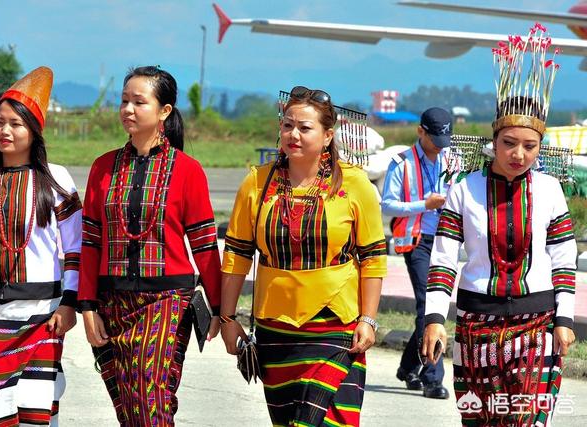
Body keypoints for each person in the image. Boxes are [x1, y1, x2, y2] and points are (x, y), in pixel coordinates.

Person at [423, 26, 577, 426]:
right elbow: (442, 260)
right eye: (510, 142)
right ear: (494, 139)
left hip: (537, 323)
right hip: (476, 325)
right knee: (482, 420)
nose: (519, 153)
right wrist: (435, 318)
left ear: (540, 147)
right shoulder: (464, 190)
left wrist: (564, 319)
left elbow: (563, 260)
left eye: (530, 146)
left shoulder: (549, 190)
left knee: (527, 420)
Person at [220, 86, 387, 426]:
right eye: (286, 125)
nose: (292, 134)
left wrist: (368, 320)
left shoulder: (355, 184)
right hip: (275, 326)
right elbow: (237, 253)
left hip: (335, 324)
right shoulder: (256, 183)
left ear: (328, 136)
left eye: (304, 128)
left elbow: (373, 257)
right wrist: (227, 318)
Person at [78, 66, 222, 426]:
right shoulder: (102, 168)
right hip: (112, 302)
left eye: (138, 102)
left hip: (166, 303)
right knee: (128, 407)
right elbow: (91, 241)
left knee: (149, 398)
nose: (127, 108)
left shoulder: (188, 170)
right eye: (124, 100)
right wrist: (87, 305)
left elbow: (204, 246)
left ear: (164, 111)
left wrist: (221, 307)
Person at [0, 66, 82, 426]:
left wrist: (69, 304)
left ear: (34, 131)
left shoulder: (56, 179)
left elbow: (75, 250)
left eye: (16, 124)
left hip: (42, 317)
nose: (4, 131)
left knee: (34, 413)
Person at [380, 107, 452, 399]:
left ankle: (409, 367)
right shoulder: (402, 163)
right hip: (416, 241)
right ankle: (433, 378)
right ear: (420, 131)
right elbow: (387, 205)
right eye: (434, 138)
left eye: (444, 139)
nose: (439, 145)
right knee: (428, 304)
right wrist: (425, 204)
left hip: (446, 241)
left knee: (431, 308)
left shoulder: (452, 158)